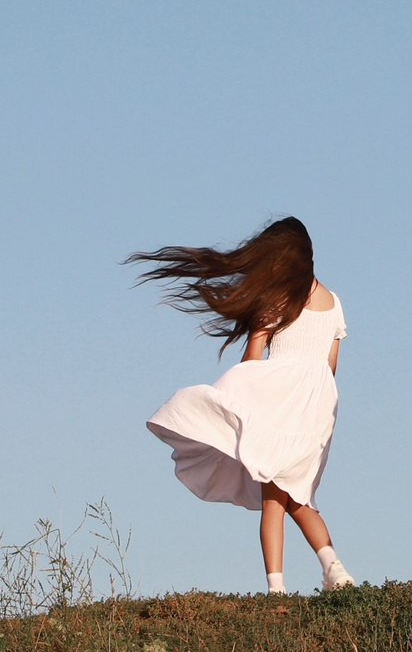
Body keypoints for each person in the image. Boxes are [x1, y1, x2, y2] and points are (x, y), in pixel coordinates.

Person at [132, 217, 358, 595]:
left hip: (281, 404)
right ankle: (335, 570)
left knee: (274, 502)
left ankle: (276, 588)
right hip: (317, 409)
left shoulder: (277, 300)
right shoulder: (334, 302)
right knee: (298, 495)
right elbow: (330, 366)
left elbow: (252, 361)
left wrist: (239, 405)